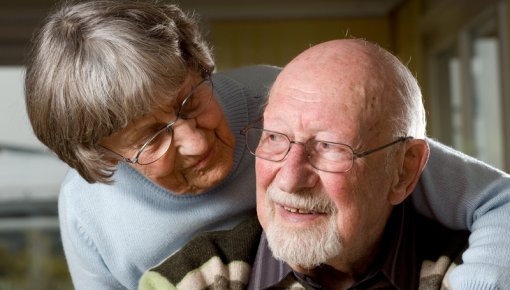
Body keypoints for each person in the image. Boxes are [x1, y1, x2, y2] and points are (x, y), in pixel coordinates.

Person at [24, 0, 510, 289]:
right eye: (152, 139)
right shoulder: (88, 213)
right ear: (106, 158)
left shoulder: (283, 101)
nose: (194, 143)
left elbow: (496, 201)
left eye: (191, 101)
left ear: (201, 68)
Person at [138, 39, 510, 290]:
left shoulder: (471, 268)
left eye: (331, 146)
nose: (290, 178)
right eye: (275, 138)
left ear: (405, 169)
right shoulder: (190, 280)